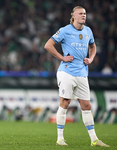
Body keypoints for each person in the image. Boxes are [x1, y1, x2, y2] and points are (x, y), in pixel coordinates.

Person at [44, 6, 109, 147]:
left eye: (85, 13)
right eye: (80, 13)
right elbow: (48, 45)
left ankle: (94, 140)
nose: (83, 16)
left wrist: (91, 59)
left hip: (82, 72)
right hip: (66, 71)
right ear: (73, 16)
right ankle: (60, 139)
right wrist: (62, 57)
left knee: (86, 105)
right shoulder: (64, 30)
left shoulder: (88, 31)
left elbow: (93, 46)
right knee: (65, 102)